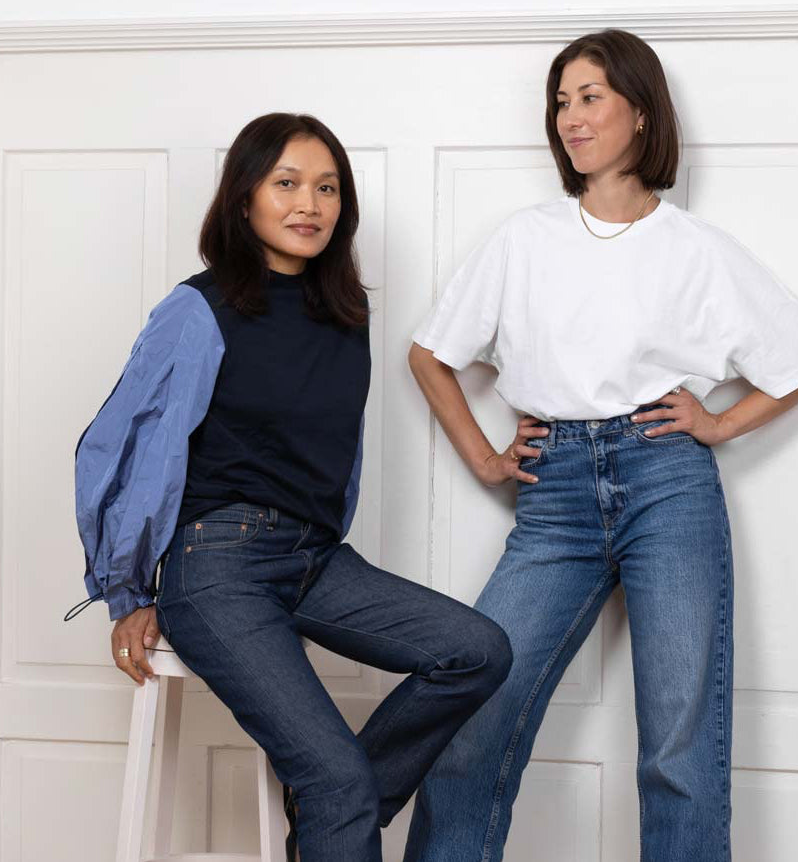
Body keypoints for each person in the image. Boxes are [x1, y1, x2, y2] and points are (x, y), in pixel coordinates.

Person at [402, 30, 798, 862]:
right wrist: (488, 458)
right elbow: (429, 355)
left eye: (591, 96)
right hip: (554, 492)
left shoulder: (694, 248)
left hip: (666, 480)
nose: (571, 115)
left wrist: (716, 423)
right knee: (474, 714)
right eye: (561, 100)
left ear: (640, 113)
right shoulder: (523, 238)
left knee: (679, 744)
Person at [67, 112, 512, 862]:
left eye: (328, 187)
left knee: (478, 649)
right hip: (215, 565)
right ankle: (337, 801)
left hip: (313, 558)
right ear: (245, 198)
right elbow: (118, 445)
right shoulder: (199, 308)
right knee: (335, 778)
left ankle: (333, 809)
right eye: (287, 183)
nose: (310, 203)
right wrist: (125, 588)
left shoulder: (346, 312)